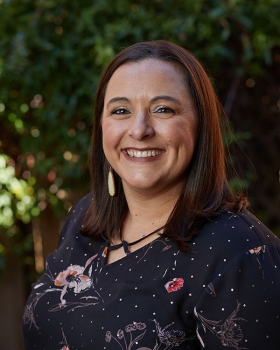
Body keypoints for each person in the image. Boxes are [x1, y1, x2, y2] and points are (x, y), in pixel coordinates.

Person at [23, 40, 280, 349]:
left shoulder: (244, 257)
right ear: (101, 126)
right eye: (121, 110)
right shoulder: (85, 215)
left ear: (200, 126)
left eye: (163, 109)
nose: (139, 129)